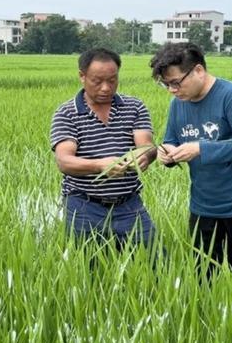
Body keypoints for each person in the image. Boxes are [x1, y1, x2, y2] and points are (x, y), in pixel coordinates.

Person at [149, 42, 232, 277]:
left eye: (176, 82)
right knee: (208, 281)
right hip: (204, 206)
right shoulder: (178, 104)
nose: (172, 90)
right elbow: (172, 140)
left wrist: (200, 149)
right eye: (166, 84)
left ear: (198, 70)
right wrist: (167, 154)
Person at [50, 48, 156, 247]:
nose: (106, 88)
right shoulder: (67, 113)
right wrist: (99, 165)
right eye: (97, 81)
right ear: (82, 76)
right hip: (84, 206)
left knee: (155, 262)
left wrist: (145, 155)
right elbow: (64, 161)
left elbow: (147, 144)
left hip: (129, 205)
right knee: (88, 270)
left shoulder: (134, 107)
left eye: (112, 80)